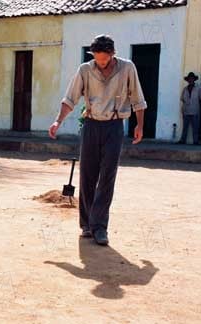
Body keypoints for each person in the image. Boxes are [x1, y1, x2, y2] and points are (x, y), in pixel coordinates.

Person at [48, 34, 147, 246]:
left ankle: (100, 227)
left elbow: (138, 99)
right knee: (88, 175)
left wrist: (139, 125)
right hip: (91, 125)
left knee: (107, 176)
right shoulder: (85, 69)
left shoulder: (127, 68)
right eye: (97, 58)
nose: (101, 63)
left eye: (105, 59)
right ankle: (86, 225)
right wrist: (58, 122)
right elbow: (70, 98)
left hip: (114, 126)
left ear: (112, 54)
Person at [177, 72, 201, 145]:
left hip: (195, 111)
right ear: (188, 80)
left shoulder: (198, 89)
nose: (190, 80)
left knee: (195, 128)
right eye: (189, 79)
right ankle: (182, 140)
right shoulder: (185, 89)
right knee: (185, 127)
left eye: (192, 79)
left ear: (194, 80)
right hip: (186, 111)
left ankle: (195, 141)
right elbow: (182, 99)